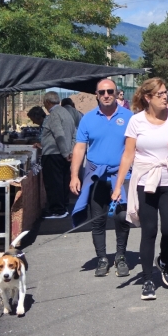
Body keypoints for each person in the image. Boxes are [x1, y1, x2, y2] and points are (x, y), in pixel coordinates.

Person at [113, 78, 168, 301]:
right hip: (145, 182)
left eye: (166, 92)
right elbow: (128, 155)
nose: (165, 96)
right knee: (149, 231)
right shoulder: (136, 121)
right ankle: (148, 279)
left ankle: (164, 260)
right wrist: (118, 186)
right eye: (159, 94)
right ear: (148, 98)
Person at [69, 80, 134, 278]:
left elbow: (135, 148)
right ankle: (102, 258)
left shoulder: (129, 117)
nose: (106, 95)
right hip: (96, 176)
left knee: (123, 218)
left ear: (116, 93)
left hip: (122, 176)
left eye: (110, 91)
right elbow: (80, 148)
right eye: (102, 92)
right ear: (96, 94)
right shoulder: (88, 119)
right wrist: (74, 175)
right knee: (97, 219)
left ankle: (121, 256)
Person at [40, 91, 76, 219]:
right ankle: (63, 206)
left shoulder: (54, 114)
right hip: (64, 153)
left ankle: (57, 210)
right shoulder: (66, 113)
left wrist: (66, 152)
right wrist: (70, 151)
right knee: (62, 181)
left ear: (48, 102)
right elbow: (74, 135)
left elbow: (59, 134)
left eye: (45, 103)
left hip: (53, 153)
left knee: (53, 183)